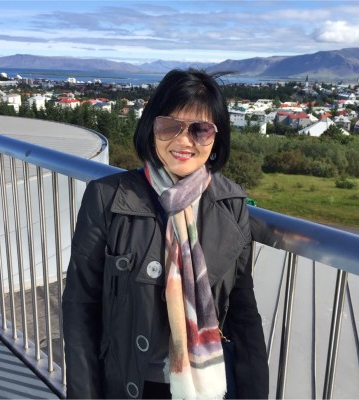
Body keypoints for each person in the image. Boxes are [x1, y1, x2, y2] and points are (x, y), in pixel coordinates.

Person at [62, 68, 269, 399]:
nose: (183, 140)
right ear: (151, 128)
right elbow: (80, 307)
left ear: (216, 138)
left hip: (207, 386)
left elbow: (243, 313)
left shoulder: (230, 205)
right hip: (130, 384)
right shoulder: (107, 198)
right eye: (169, 126)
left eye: (200, 129)